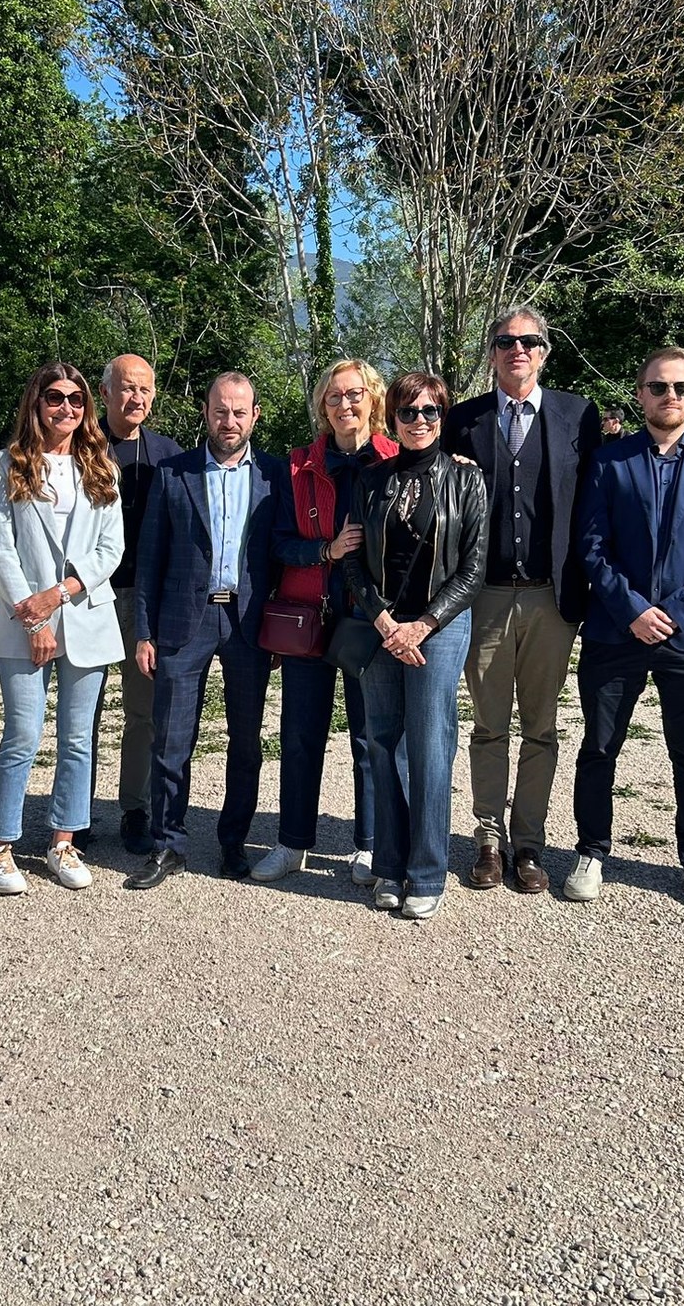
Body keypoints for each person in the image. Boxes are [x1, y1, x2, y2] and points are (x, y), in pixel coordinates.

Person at [567, 346, 684, 910]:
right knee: (600, 746)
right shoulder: (609, 461)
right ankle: (591, 851)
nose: (670, 396)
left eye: (682, 387)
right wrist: (633, 610)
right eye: (659, 386)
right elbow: (591, 545)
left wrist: (678, 613)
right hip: (616, 628)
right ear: (640, 393)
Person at [446, 306, 601, 893]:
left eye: (529, 341)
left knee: (540, 727)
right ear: (492, 353)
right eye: (506, 341)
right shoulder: (463, 419)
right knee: (488, 725)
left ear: (544, 352)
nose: (518, 349)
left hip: (549, 598)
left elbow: (591, 501)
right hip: (483, 595)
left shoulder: (577, 415)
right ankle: (489, 840)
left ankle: (530, 843)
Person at [129, 372, 285, 889]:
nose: (229, 421)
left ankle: (233, 843)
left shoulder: (275, 476)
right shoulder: (173, 473)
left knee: (245, 743)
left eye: (239, 412)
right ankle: (167, 844)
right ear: (206, 411)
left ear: (254, 415)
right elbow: (150, 558)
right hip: (182, 623)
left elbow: (281, 555)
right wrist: (144, 630)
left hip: (248, 624)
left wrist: (280, 629)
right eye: (221, 411)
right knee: (171, 740)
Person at [0, 363, 125, 894]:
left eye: (76, 399)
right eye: (55, 397)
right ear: (36, 403)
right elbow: (0, 548)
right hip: (24, 619)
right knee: (22, 734)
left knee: (78, 739)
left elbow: (111, 548)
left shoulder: (101, 468)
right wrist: (34, 614)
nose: (66, 408)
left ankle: (63, 841)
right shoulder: (7, 465)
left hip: (86, 615)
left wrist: (60, 594)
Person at [249, 359, 400, 888]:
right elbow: (277, 543)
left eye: (354, 394)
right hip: (308, 616)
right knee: (299, 734)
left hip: (370, 618)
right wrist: (325, 550)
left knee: (370, 736)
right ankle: (293, 842)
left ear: (373, 399)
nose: (344, 405)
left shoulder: (397, 460)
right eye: (333, 397)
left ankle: (369, 844)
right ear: (322, 406)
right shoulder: (297, 466)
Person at [342, 372, 487, 920]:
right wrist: (383, 621)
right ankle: (388, 863)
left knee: (429, 747)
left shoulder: (467, 480)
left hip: (438, 629)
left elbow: (473, 569)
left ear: (443, 417)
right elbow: (353, 559)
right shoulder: (370, 479)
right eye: (408, 411)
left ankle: (426, 872)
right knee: (382, 744)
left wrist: (422, 626)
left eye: (430, 411)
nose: (419, 420)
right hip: (381, 627)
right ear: (392, 419)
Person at [92, 353, 183, 855]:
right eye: (128, 388)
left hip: (143, 597)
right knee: (83, 711)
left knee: (142, 712)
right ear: (105, 392)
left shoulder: (168, 454)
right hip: (87, 593)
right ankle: (75, 812)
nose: (137, 398)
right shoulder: (80, 445)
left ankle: (134, 808)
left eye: (145, 389)